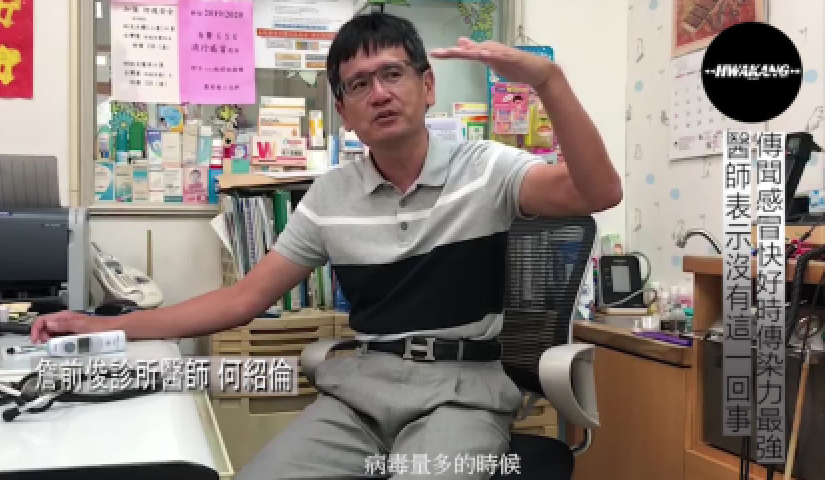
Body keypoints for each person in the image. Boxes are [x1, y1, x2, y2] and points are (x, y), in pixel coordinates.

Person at [31, 12, 621, 480]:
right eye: (359, 84)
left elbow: (598, 191)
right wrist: (102, 325)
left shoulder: (488, 168)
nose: (379, 93)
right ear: (343, 110)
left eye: (393, 74)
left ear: (427, 85)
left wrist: (548, 81)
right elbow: (241, 300)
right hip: (360, 395)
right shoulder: (330, 196)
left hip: (463, 394)